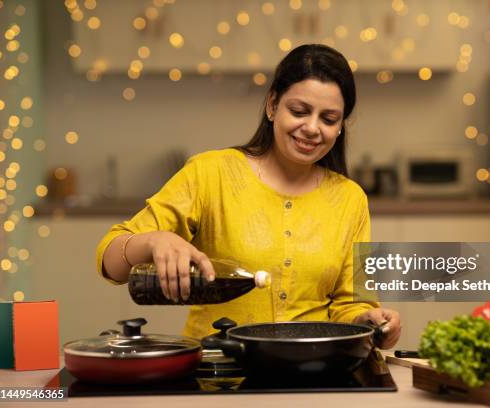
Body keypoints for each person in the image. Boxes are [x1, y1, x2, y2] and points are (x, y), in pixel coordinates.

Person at [96, 44, 401, 349]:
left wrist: (371, 321)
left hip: (312, 370)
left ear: (339, 129)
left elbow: (351, 304)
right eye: (299, 111)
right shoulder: (211, 173)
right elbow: (110, 260)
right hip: (218, 367)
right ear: (272, 106)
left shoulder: (351, 199)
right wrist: (153, 241)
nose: (312, 128)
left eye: (329, 119)